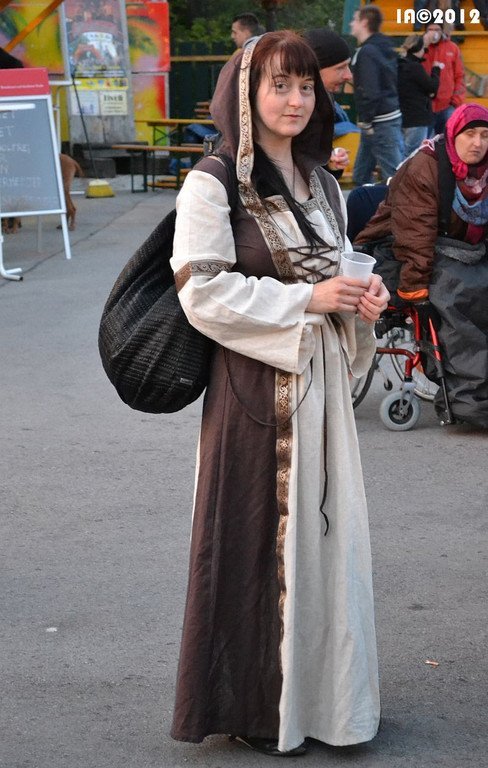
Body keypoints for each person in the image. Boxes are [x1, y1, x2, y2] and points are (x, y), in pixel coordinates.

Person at [169, 30, 389, 757]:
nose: (296, 100)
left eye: (305, 86)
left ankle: (328, 702)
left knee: (325, 543)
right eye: (279, 85)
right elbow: (201, 289)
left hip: (321, 388)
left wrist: (361, 296)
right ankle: (258, 707)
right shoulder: (212, 183)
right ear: (246, 91)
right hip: (254, 395)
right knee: (256, 542)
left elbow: (336, 266)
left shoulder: (322, 182)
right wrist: (307, 300)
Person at [354, 103, 488, 426]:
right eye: (470, 134)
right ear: (453, 134)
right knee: (459, 297)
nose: (478, 143)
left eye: (486, 135)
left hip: (458, 249)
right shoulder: (425, 167)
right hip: (400, 250)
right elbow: (415, 236)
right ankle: (473, 402)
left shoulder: (483, 172)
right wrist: (415, 290)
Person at [349, 4, 404, 185]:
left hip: (379, 121)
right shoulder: (382, 48)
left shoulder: (367, 52)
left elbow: (370, 90)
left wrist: (366, 120)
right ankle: (366, 201)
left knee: (394, 177)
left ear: (364, 22)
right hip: (381, 119)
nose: (351, 24)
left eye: (354, 20)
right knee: (361, 175)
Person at [304, 27, 359, 176]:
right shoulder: (288, 110)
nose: (348, 75)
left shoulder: (325, 101)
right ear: (315, 70)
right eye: (340, 68)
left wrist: (331, 164)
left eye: (348, 66)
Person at [398, 34, 440, 157]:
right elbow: (432, 86)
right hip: (417, 117)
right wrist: (436, 70)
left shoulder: (399, 64)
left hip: (401, 116)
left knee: (402, 153)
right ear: (420, 50)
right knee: (412, 154)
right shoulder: (415, 67)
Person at [422, 23, 465, 136]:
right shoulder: (420, 49)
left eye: (437, 29)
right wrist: (424, 46)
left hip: (447, 105)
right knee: (425, 142)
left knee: (447, 140)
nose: (433, 32)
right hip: (425, 106)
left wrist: (455, 101)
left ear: (442, 31)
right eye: (430, 29)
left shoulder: (452, 48)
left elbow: (459, 75)